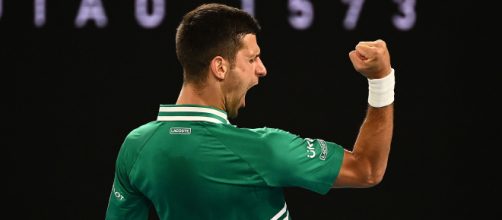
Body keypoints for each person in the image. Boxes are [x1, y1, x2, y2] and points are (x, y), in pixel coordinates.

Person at [105, 3, 394, 220]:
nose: (262, 69)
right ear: (220, 67)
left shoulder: (136, 147)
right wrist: (381, 80)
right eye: (252, 58)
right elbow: (367, 169)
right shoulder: (264, 150)